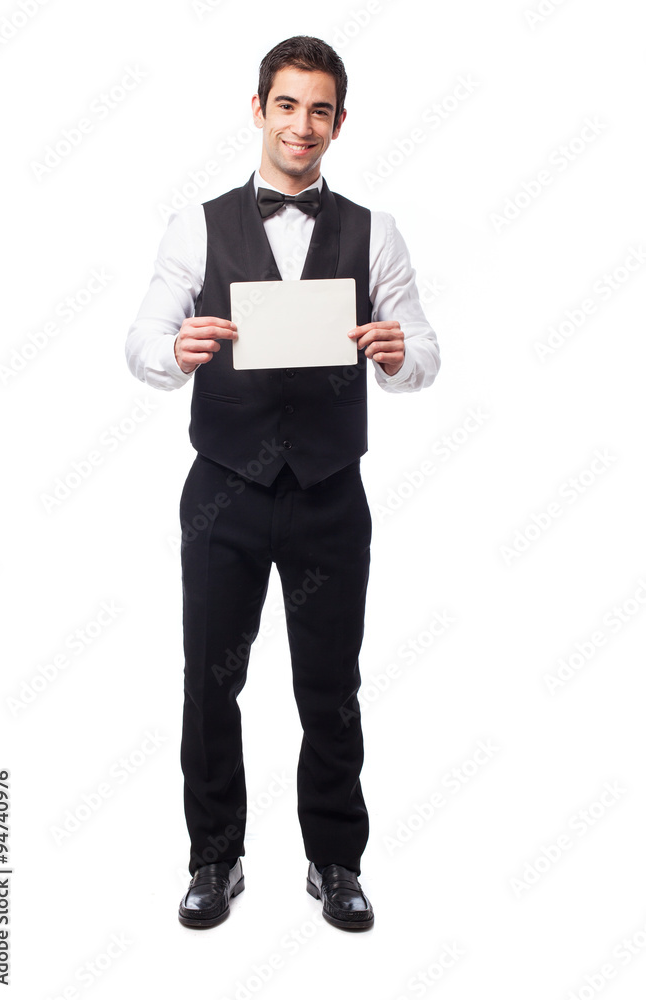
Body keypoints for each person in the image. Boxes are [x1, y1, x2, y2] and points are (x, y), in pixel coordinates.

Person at [125, 34, 440, 932]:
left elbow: (424, 349)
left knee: (329, 685)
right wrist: (171, 351)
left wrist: (397, 354)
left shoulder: (374, 230)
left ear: (340, 124)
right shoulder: (197, 225)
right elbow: (143, 336)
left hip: (331, 493)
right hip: (223, 488)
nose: (303, 124)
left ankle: (335, 860)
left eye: (321, 109)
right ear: (258, 109)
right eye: (288, 104)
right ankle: (213, 859)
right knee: (208, 683)